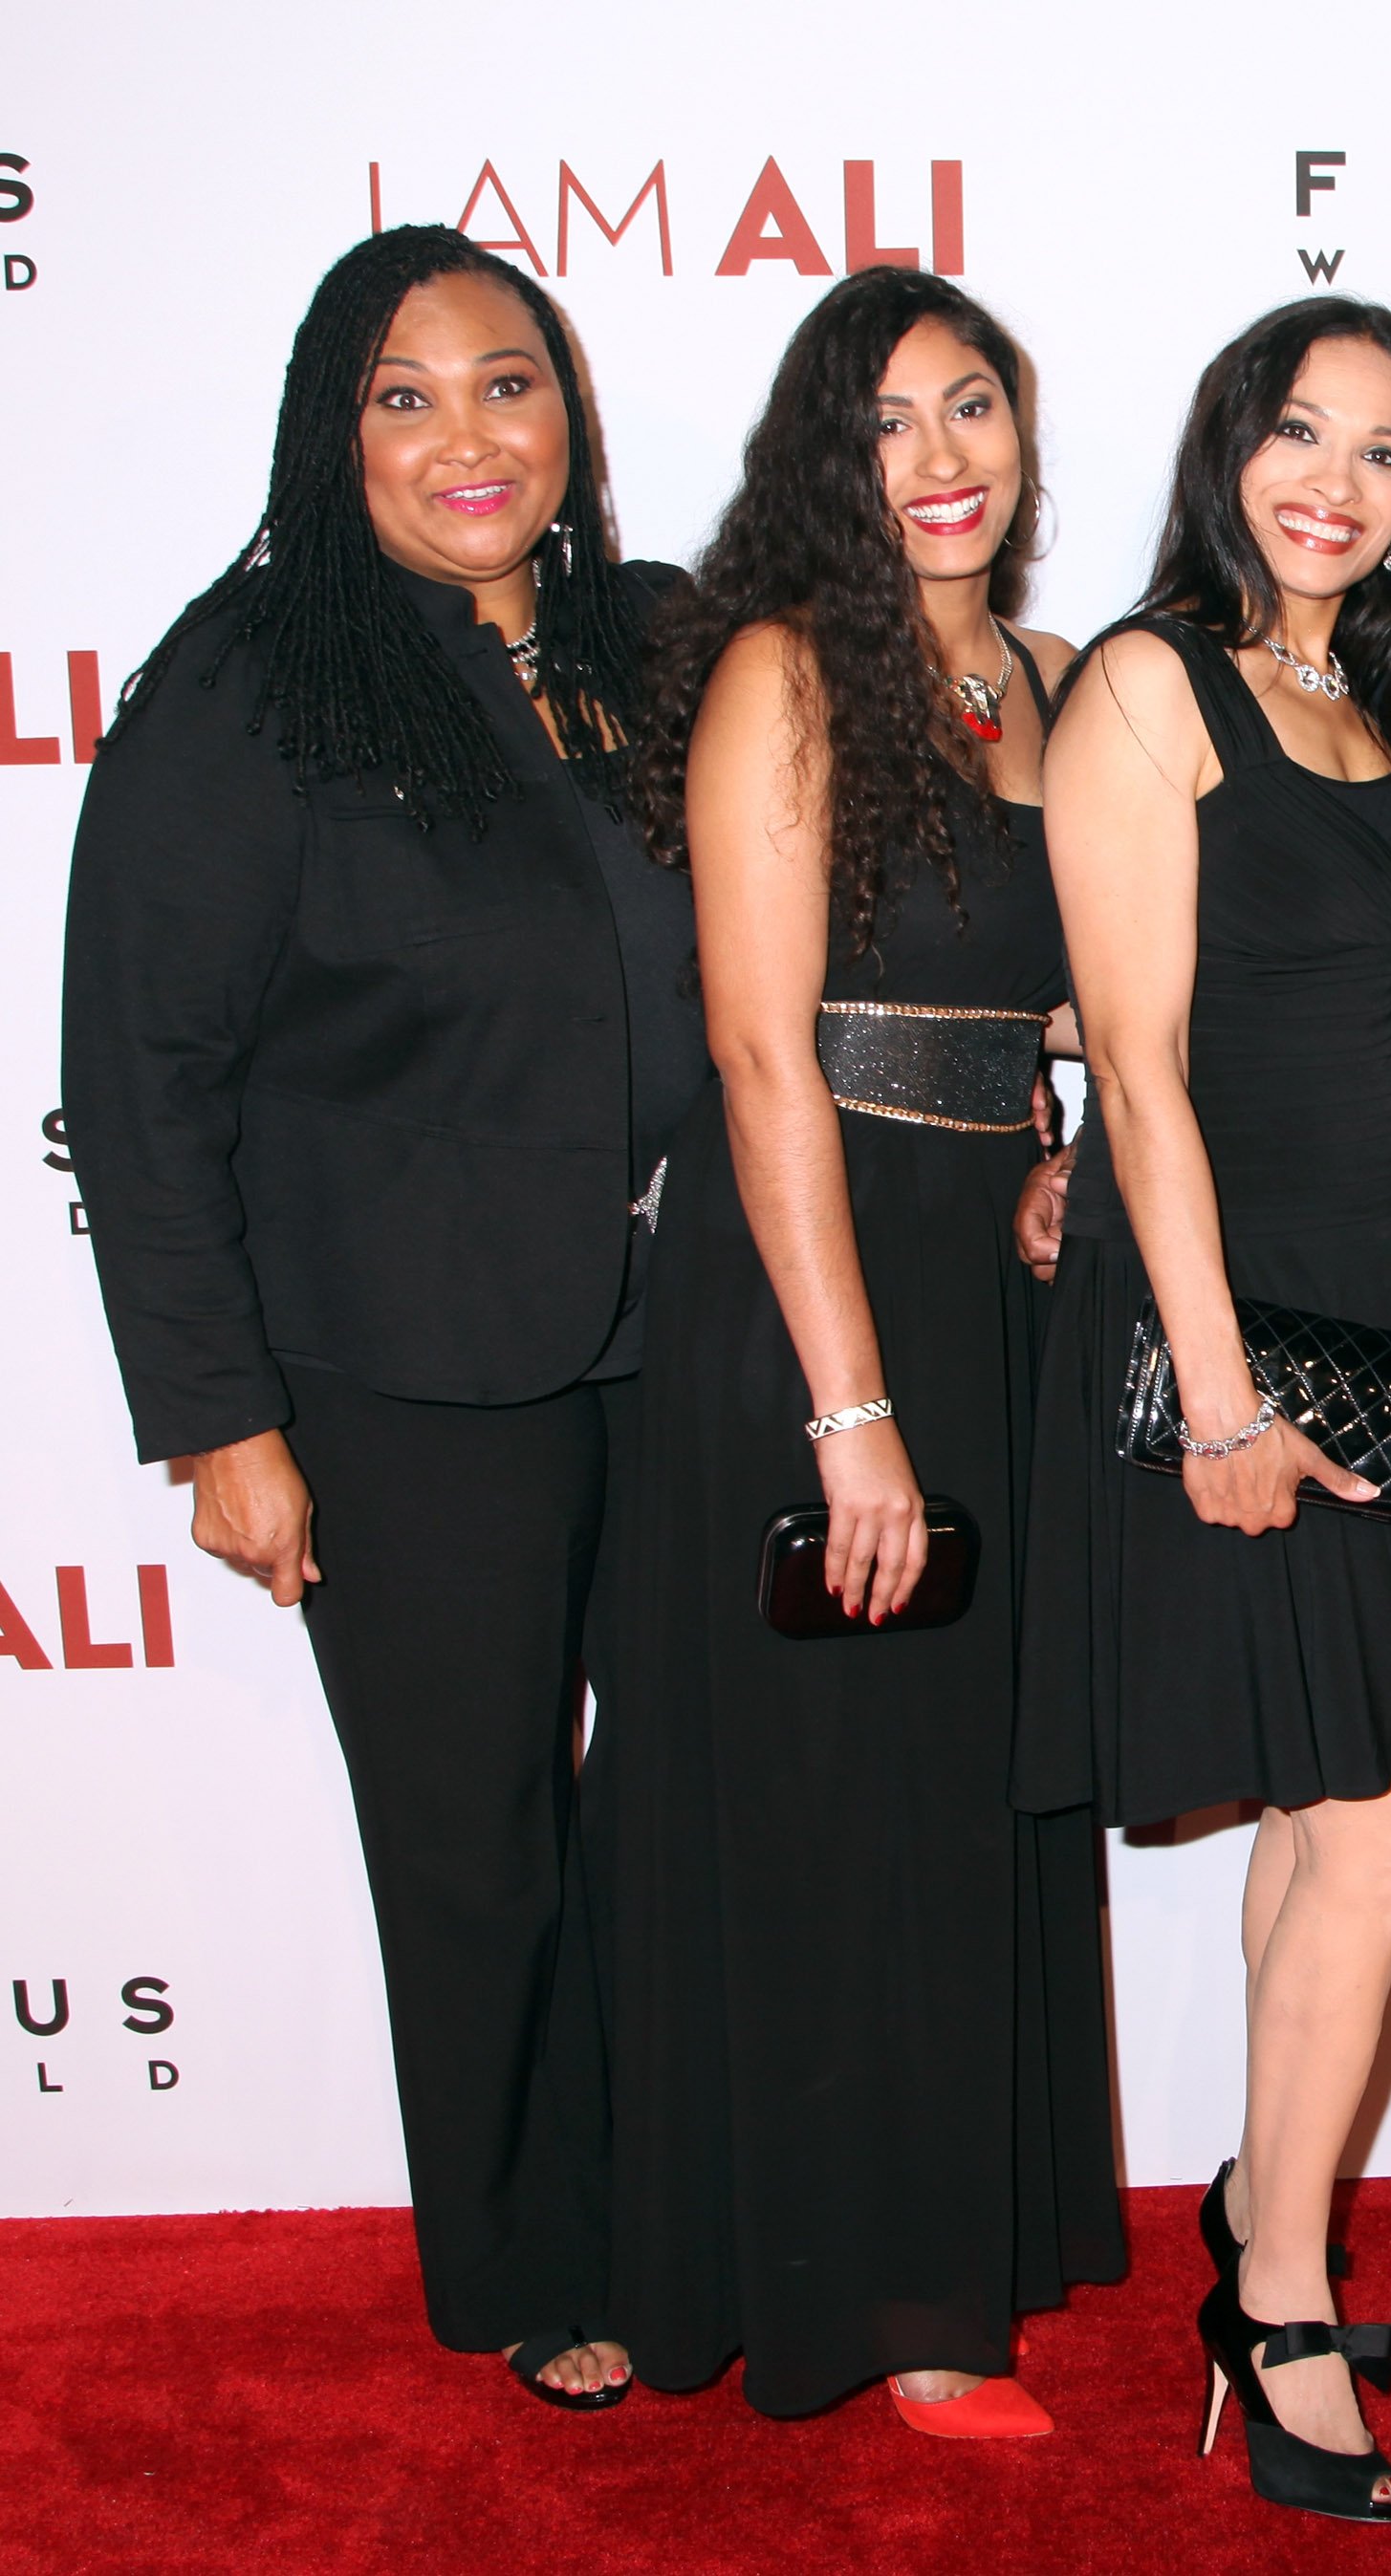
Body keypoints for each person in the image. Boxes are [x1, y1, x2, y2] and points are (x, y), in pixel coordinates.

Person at [61, 227, 705, 2409]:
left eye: (506, 384)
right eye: (403, 395)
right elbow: (139, 1075)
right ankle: (539, 2255)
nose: (466, 437)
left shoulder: (662, 641)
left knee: (688, 1800)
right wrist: (217, 1417)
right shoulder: (253, 681)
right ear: (332, 430)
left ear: (570, 411)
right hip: (404, 1359)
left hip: (692, 1328)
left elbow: (935, 726)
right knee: (478, 1825)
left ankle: (682, 2197)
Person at [603, 267, 1120, 2433]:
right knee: (824, 1797)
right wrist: (852, 1408)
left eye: (974, 407)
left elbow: (1087, 992)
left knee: (949, 1785)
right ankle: (859, 2296)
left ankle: (933, 2236)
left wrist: (1059, 1144)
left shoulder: (1058, 676)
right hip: (804, 1300)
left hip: (977, 1288)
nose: (944, 460)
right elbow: (757, 1052)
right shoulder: (785, 676)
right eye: (892, 422)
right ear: (834, 456)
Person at [1014, 297, 1391, 2523]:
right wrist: (1214, 1389)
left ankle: (1256, 2218)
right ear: (1228, 448)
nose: (1338, 480)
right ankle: (1277, 2293)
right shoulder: (1147, 683)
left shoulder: (1361, 693)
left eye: (1386, 452)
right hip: (1241, 1303)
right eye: (1301, 432)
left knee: (1335, 1816)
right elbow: (1135, 1066)